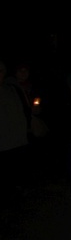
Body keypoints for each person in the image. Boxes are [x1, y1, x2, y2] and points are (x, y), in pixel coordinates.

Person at [0, 59, 30, 198]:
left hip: (17, 137)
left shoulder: (12, 88)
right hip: (6, 138)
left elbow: (22, 110)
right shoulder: (10, 87)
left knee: (16, 167)